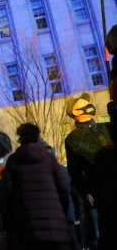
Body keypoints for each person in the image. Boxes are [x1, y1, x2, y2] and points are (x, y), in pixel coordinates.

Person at [0, 123, 71, 250]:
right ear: (38, 137)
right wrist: (62, 209)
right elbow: (63, 186)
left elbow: (7, 193)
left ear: (20, 138)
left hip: (27, 223)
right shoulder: (48, 158)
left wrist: (9, 220)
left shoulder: (14, 161)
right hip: (54, 222)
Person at [64, 93, 117, 250]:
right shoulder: (72, 139)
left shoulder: (107, 126)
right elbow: (75, 170)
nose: (89, 106)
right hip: (100, 189)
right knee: (109, 229)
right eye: (83, 105)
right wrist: (85, 192)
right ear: (76, 113)